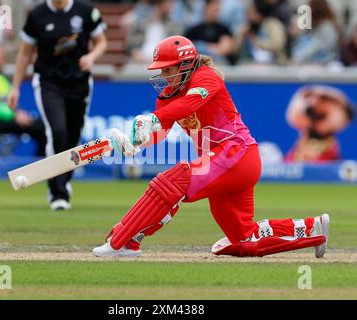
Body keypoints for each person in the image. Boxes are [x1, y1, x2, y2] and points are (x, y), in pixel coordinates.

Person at [92, 35, 330, 258]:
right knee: (243, 240)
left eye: (168, 69)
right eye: (161, 70)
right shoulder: (167, 95)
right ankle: (312, 227)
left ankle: (125, 241)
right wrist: (134, 142)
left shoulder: (206, 77)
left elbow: (190, 103)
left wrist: (153, 119)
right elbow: (160, 132)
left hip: (236, 153)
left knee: (174, 181)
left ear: (185, 65)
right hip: (224, 164)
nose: (163, 75)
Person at [8, 0, 108, 211]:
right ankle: (57, 192)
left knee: (73, 136)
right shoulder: (37, 15)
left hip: (79, 83)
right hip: (48, 82)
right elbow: (25, 53)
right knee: (57, 131)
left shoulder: (86, 11)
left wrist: (91, 56)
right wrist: (15, 87)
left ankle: (64, 180)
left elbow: (102, 42)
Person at [285, 85, 355, 162]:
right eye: (308, 96)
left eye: (325, 99)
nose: (313, 102)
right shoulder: (295, 152)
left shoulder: (333, 156)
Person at [184, 0, 235, 65]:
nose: (215, 13)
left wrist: (201, 47)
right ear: (205, 8)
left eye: (217, 10)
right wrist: (216, 47)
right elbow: (187, 50)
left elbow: (225, 49)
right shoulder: (193, 30)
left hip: (219, 65)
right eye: (213, 9)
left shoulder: (224, 29)